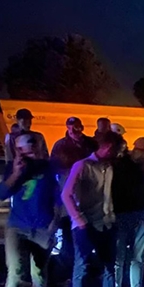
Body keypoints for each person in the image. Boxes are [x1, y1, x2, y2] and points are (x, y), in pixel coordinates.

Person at [0, 134, 60, 287]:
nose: (26, 153)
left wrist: (54, 224)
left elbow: (59, 196)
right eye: (22, 149)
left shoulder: (48, 168)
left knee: (39, 271)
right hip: (17, 226)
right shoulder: (14, 168)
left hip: (42, 227)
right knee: (15, 270)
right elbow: (1, 193)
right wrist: (16, 172)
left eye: (30, 148)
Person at [61, 131, 128, 287]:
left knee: (109, 266)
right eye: (115, 149)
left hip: (106, 222)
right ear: (107, 146)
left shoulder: (109, 166)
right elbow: (66, 194)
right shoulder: (82, 165)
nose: (116, 153)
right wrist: (78, 219)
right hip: (85, 224)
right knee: (82, 266)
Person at [112, 137, 144, 287]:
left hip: (129, 214)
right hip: (128, 214)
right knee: (131, 258)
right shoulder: (128, 167)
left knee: (124, 258)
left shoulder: (124, 165)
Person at [50, 117, 99, 277]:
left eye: (76, 127)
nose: (73, 130)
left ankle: (88, 268)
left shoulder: (90, 143)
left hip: (89, 188)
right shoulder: (60, 145)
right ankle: (68, 271)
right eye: (70, 127)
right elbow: (53, 166)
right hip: (68, 186)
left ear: (82, 127)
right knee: (68, 232)